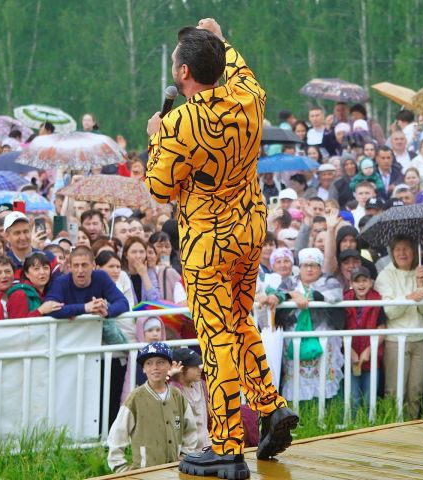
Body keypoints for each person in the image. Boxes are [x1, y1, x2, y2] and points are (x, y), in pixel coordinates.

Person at [145, 19, 294, 474]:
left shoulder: (181, 122)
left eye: (175, 63)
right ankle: (271, 406)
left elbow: (159, 188)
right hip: (249, 228)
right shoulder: (249, 95)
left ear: (184, 72)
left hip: (208, 240)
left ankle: (227, 445)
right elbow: (238, 64)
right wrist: (221, 37)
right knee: (239, 320)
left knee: (216, 336)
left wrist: (156, 137)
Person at [262, 248, 344, 403]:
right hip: (294, 340)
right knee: (296, 380)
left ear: (320, 267)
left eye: (314, 265)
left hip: (323, 338)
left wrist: (309, 296)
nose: (309, 269)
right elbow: (279, 294)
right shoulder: (290, 282)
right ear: (299, 268)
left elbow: (335, 295)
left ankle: (324, 412)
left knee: (323, 379)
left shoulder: (329, 281)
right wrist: (291, 296)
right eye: (305, 265)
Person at [107, 342, 198, 473]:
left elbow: (190, 430)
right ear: (143, 368)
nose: (155, 367)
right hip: (145, 473)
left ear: (170, 365)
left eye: (160, 362)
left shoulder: (177, 396)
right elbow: (117, 435)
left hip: (175, 472)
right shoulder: (135, 398)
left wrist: (185, 457)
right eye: (149, 363)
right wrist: (121, 469)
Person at [374, 235, 423, 419]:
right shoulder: (385, 275)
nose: (402, 253)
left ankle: (412, 426)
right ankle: (392, 425)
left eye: (407, 248)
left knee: (416, 389)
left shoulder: (421, 272)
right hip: (396, 339)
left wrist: (422, 286)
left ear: (414, 251)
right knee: (394, 388)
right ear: (391, 252)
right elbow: (390, 311)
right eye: (397, 249)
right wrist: (409, 297)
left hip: (421, 337)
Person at [343, 266, 385, 412]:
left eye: (364, 280)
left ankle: (370, 427)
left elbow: (382, 328)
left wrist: (369, 351)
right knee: (353, 398)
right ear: (351, 283)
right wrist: (351, 352)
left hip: (372, 358)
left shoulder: (378, 299)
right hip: (351, 358)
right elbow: (341, 330)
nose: (361, 284)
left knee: (369, 398)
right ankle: (352, 429)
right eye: (357, 281)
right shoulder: (344, 299)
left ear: (371, 282)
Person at [168, 348, 211, 450]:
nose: (200, 368)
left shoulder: (202, 385)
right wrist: (170, 374)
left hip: (207, 449)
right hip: (186, 454)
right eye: (195, 366)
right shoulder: (171, 391)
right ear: (182, 368)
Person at [6, 252, 63, 319]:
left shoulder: (50, 293)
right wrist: (40, 311)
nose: (42, 272)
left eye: (46, 268)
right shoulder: (19, 294)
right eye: (36, 269)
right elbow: (16, 326)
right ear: (27, 273)